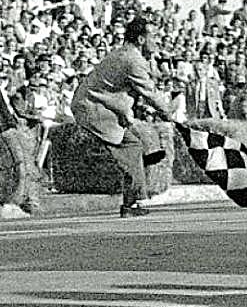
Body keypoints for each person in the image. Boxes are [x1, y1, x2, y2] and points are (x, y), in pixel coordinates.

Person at [70, 17, 173, 218]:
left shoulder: (126, 54)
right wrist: (169, 113)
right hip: (94, 109)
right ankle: (132, 199)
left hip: (97, 105)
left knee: (133, 145)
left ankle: (132, 198)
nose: (157, 40)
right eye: (154, 36)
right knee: (131, 147)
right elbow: (149, 93)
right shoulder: (133, 60)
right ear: (141, 39)